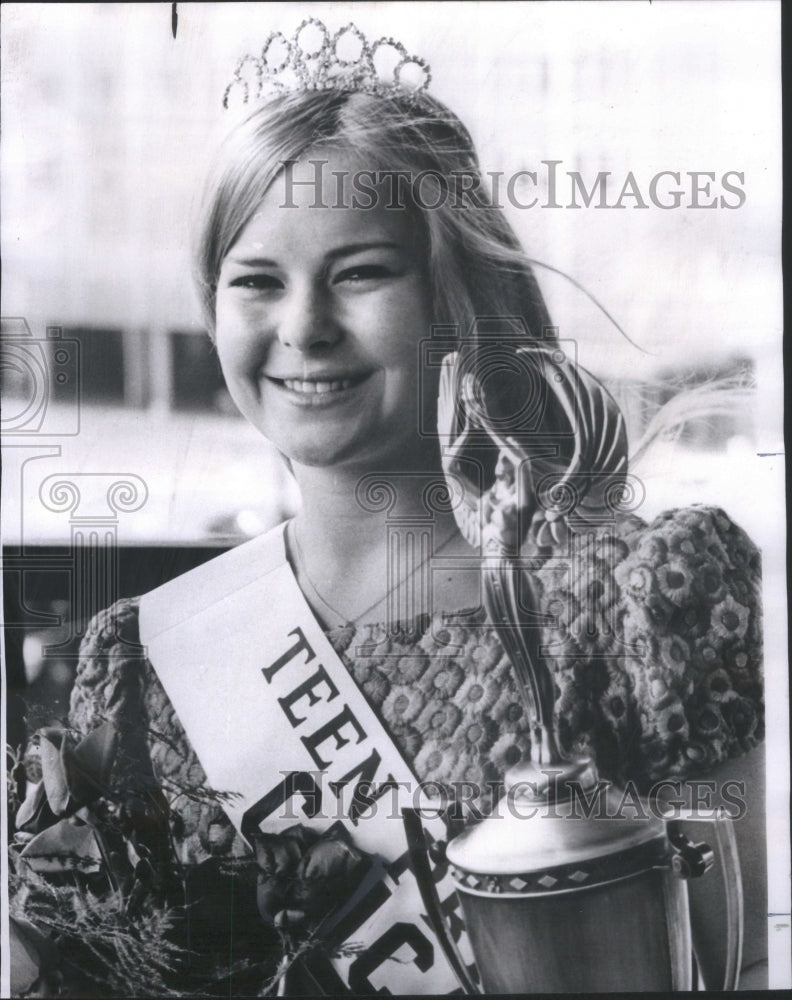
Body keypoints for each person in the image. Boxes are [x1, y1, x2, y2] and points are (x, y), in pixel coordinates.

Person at [13, 18, 764, 996]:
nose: (304, 328)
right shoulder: (145, 669)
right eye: (256, 282)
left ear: (459, 294)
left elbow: (751, 964)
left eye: (360, 272)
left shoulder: (636, 605)